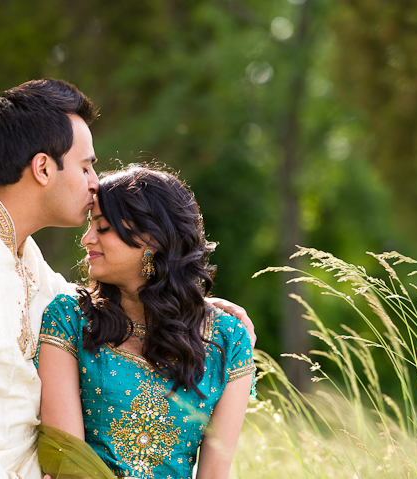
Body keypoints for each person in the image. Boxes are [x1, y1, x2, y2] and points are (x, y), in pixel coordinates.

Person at [0, 80, 254, 479]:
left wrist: (189, 303)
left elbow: (98, 304)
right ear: (43, 167)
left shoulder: (17, 250)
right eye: (86, 165)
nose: (96, 183)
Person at [37, 166, 255, 479]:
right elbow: (70, 464)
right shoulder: (69, 319)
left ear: (151, 239)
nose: (86, 239)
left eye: (102, 227)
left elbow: (215, 473)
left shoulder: (227, 339)